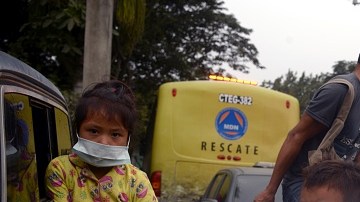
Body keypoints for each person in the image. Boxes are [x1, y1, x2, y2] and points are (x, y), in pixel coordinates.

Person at [254, 53, 360, 202]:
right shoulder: (340, 90)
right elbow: (296, 136)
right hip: (307, 183)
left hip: (340, 186)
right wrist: (270, 191)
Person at [45, 80, 157, 201]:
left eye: (115, 134)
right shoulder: (61, 169)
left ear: (128, 138)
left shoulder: (137, 181)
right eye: (94, 131)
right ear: (77, 130)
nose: (103, 142)